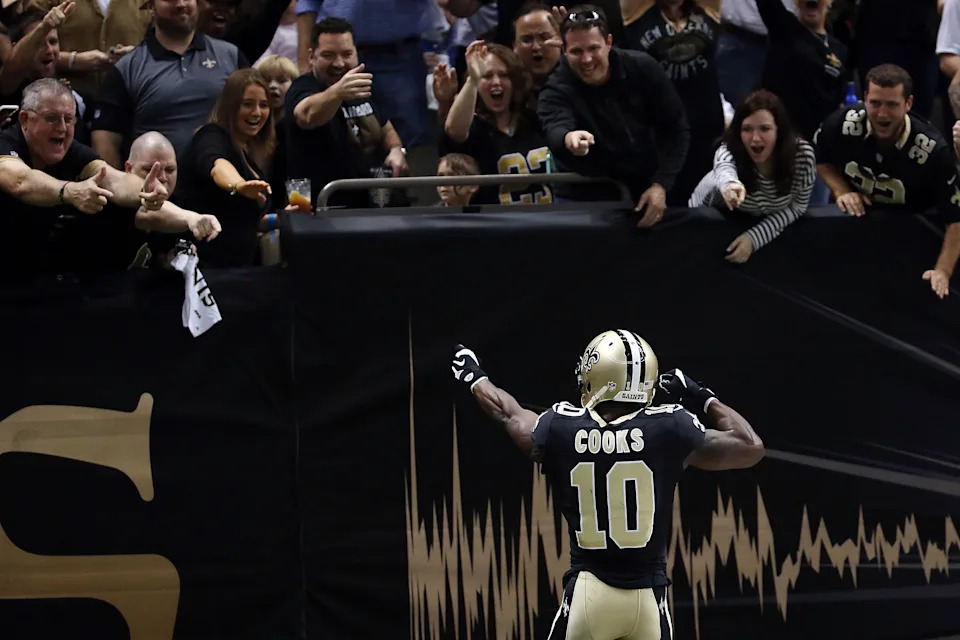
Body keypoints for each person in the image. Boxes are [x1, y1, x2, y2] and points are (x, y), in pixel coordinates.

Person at [450, 331, 764, 640]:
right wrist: (701, 395)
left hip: (590, 594)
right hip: (648, 600)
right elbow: (750, 446)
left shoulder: (561, 428)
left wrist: (476, 378)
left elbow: (509, 415)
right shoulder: (671, 427)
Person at [0, 78, 220, 278]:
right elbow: (21, 181)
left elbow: (115, 180)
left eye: (69, 119)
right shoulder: (6, 143)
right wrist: (69, 192)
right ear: (25, 119)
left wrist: (184, 214)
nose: (63, 128)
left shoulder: (73, 152)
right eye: (52, 119)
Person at [814, 64, 960, 299]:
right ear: (865, 99)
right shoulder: (841, 125)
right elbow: (821, 158)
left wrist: (942, 270)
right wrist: (841, 191)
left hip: (915, 233)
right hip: (859, 231)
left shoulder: (933, 150)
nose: (882, 114)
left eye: (892, 105)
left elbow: (956, 220)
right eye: (875, 103)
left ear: (908, 104)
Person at [537, 4, 690, 226]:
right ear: (564, 50)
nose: (587, 60)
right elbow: (555, 127)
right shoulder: (555, 88)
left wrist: (661, 185)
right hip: (582, 195)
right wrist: (569, 138)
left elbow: (677, 128)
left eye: (593, 48)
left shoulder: (642, 68)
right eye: (577, 51)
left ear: (608, 42)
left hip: (642, 187)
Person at [286, 17, 408, 210]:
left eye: (346, 54)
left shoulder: (363, 87)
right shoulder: (303, 87)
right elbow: (307, 115)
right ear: (311, 56)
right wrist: (337, 93)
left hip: (375, 203)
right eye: (328, 55)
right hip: (325, 207)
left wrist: (396, 150)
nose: (339, 63)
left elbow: (386, 128)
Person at [690, 89, 816, 263]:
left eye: (765, 129)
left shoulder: (802, 156)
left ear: (779, 131)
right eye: (747, 129)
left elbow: (798, 207)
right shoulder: (727, 151)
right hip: (707, 216)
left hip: (762, 226)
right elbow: (725, 169)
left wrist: (753, 238)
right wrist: (730, 186)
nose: (755, 139)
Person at [175, 68, 273, 267]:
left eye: (263, 105)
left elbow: (240, 220)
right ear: (230, 106)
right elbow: (217, 165)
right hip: (207, 269)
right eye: (247, 104)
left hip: (238, 267)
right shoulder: (211, 136)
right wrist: (237, 185)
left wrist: (284, 219)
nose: (256, 112)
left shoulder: (245, 151)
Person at [441, 40, 552, 205]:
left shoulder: (533, 118)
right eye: (486, 76)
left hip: (548, 221)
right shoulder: (475, 127)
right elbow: (454, 130)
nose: (496, 82)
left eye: (504, 75)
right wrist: (473, 79)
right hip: (494, 226)